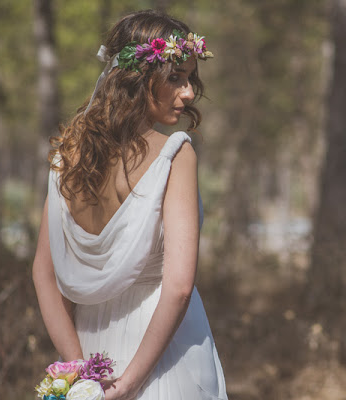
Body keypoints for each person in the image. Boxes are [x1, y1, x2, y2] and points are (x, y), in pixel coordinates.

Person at [32, 9, 228, 400]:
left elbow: (43, 272)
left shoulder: (66, 155)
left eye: (190, 79)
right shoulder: (175, 154)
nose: (189, 93)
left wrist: (81, 372)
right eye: (175, 77)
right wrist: (129, 383)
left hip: (90, 347)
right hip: (164, 356)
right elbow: (178, 287)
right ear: (138, 77)